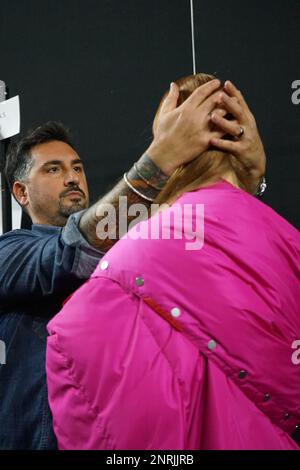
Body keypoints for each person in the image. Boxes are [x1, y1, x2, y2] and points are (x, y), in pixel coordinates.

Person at [0, 78, 265, 450]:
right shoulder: (9, 252)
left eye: (77, 167)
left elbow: (204, 238)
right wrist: (160, 160)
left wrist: (248, 181)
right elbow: (69, 254)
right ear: (21, 192)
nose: (73, 177)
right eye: (54, 170)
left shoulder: (134, 242)